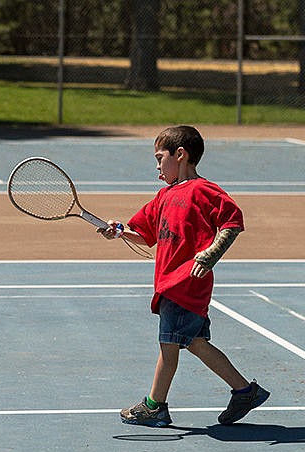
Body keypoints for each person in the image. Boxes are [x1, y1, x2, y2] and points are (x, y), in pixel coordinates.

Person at [99, 125, 269, 427]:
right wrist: (119, 231)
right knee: (195, 342)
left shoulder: (204, 191)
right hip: (169, 284)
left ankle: (155, 405)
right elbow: (143, 233)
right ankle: (244, 391)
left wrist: (211, 253)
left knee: (169, 345)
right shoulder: (163, 196)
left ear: (180, 155)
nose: (157, 167)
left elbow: (232, 222)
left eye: (159, 158)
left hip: (184, 284)